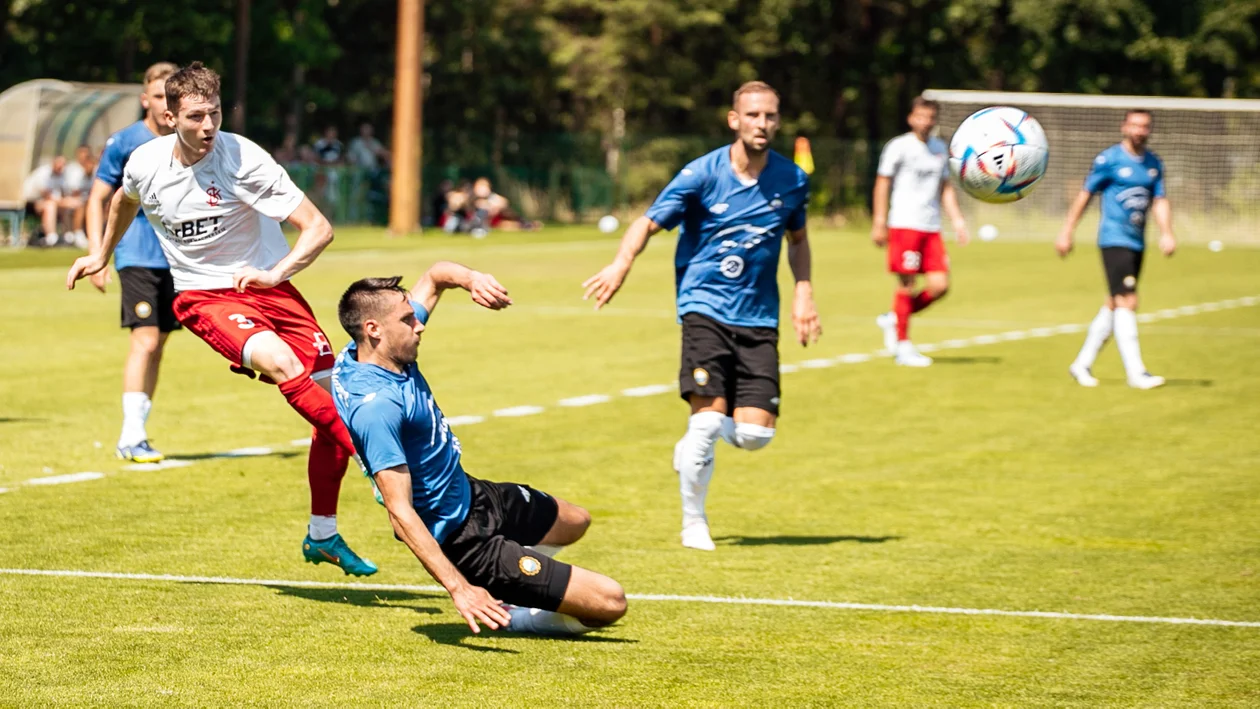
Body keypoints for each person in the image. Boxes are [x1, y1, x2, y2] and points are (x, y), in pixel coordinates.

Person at [66, 62, 376, 576]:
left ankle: (322, 534)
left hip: (271, 289)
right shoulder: (145, 161)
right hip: (205, 297)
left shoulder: (244, 158)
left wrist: (275, 274)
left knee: (331, 403)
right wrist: (101, 254)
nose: (208, 125)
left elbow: (318, 228)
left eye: (214, 113)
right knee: (282, 364)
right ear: (169, 117)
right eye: (195, 116)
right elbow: (123, 199)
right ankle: (382, 468)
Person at [582, 81, 820, 551]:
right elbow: (648, 222)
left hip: (759, 317)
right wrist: (620, 264)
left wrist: (804, 291)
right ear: (734, 120)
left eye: (770, 116)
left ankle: (694, 442)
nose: (762, 124)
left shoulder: (792, 180)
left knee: (754, 435)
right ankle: (694, 522)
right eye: (752, 115)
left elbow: (798, 241)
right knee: (709, 421)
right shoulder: (701, 174)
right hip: (703, 308)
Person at [333, 265, 628, 635]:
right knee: (611, 602)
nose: (419, 325)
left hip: (472, 494)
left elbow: (435, 277)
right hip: (461, 540)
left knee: (575, 521)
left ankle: (518, 582)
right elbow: (400, 513)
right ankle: (512, 614)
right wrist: (459, 588)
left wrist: (472, 280)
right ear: (373, 329)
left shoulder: (367, 350)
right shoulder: (376, 408)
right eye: (408, 320)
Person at [82, 62, 179, 463]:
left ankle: (137, 432)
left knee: (159, 344)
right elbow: (97, 199)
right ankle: (131, 435)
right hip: (135, 253)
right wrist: (98, 254)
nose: (165, 104)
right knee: (146, 339)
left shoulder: (188, 140)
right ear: (145, 100)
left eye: (171, 96)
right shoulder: (125, 141)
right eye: (158, 96)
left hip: (177, 257)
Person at [1056, 109, 1175, 390]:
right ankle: (1137, 373)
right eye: (1134, 125)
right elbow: (1086, 194)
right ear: (1124, 127)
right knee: (1127, 300)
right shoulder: (1109, 160)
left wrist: (1167, 232)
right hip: (1113, 239)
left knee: (1114, 303)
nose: (1139, 131)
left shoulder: (1153, 163)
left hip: (1137, 241)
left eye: (1144, 126)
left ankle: (1082, 364)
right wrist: (1067, 230)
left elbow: (1159, 200)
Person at [870, 96, 970, 367]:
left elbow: (945, 188)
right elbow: (882, 183)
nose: (925, 122)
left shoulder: (940, 148)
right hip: (904, 224)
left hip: (931, 226)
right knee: (907, 284)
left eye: (930, 117)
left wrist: (958, 220)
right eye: (920, 116)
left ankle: (894, 318)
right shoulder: (899, 147)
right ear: (911, 118)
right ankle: (903, 347)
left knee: (940, 286)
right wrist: (879, 220)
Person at [24, 156, 78, 246]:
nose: (62, 167)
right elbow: (46, 195)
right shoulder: (43, 173)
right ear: (53, 162)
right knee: (50, 206)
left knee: (67, 207)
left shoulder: (62, 175)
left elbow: (64, 193)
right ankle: (51, 237)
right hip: (32, 203)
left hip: (53, 202)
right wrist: (63, 201)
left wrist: (67, 201)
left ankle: (68, 235)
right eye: (60, 164)